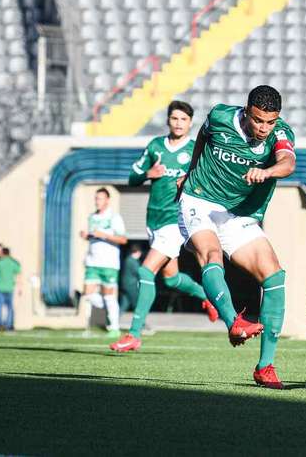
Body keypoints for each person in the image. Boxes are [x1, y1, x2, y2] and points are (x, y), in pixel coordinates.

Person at [177, 85, 296, 389]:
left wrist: (267, 173)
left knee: (274, 276)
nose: (264, 128)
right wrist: (190, 173)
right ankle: (234, 322)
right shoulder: (219, 116)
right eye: (258, 120)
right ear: (246, 112)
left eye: (270, 122)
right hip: (199, 200)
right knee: (211, 253)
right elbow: (202, 138)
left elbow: (287, 162)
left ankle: (265, 367)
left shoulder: (280, 133)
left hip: (238, 214)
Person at [111, 101, 218, 352]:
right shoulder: (155, 147)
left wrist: (189, 180)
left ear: (190, 123)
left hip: (175, 220)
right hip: (153, 219)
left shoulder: (195, 150)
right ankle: (208, 298)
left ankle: (135, 333)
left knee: (145, 272)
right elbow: (132, 177)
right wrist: (149, 173)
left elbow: (208, 180)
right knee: (170, 279)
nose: (178, 123)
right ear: (168, 121)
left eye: (183, 119)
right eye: (174, 118)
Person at [80, 187, 128, 337]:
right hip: (92, 262)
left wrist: (103, 234)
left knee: (109, 296)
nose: (97, 201)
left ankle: (114, 327)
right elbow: (94, 236)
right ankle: (108, 309)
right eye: (96, 198)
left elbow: (123, 239)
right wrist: (86, 235)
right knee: (88, 294)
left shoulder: (114, 217)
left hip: (109, 263)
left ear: (107, 200)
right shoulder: (92, 217)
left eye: (100, 198)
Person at [0, 247, 21, 331]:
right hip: (9, 288)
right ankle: (9, 325)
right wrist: (20, 287)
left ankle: (0, 325)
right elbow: (19, 274)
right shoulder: (13, 262)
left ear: (3, 253)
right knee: (10, 307)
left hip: (0, 288)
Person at [118, 245, 142, 313]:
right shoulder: (132, 261)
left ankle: (113, 320)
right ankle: (139, 321)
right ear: (137, 252)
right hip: (131, 285)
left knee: (124, 304)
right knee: (137, 302)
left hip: (125, 284)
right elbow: (138, 272)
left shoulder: (127, 259)